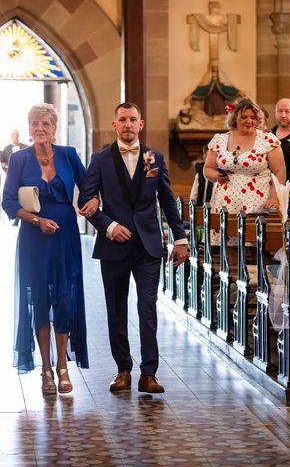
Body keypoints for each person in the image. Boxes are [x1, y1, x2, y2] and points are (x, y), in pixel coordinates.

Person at [78, 102, 188, 394]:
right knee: (116, 309)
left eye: (133, 120)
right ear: (114, 124)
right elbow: (86, 202)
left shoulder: (155, 158)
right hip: (114, 245)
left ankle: (148, 373)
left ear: (141, 124)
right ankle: (123, 370)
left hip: (148, 245)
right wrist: (110, 226)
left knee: (147, 308)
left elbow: (167, 201)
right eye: (122, 120)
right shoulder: (100, 160)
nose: (128, 125)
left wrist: (180, 239)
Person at [2, 103, 96, 395]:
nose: (39, 129)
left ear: (54, 127)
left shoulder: (68, 155)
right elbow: (8, 202)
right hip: (34, 238)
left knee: (65, 299)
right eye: (34, 124)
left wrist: (93, 203)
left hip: (66, 236)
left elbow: (89, 186)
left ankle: (63, 367)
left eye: (45, 124)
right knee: (40, 300)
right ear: (28, 128)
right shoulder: (19, 160)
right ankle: (45, 368)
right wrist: (36, 220)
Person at [204, 97, 286, 215]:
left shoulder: (267, 140)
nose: (249, 121)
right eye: (244, 117)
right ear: (234, 118)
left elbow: (280, 171)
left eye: (253, 118)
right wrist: (216, 175)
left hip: (258, 203)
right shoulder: (219, 140)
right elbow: (207, 168)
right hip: (225, 204)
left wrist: (274, 197)